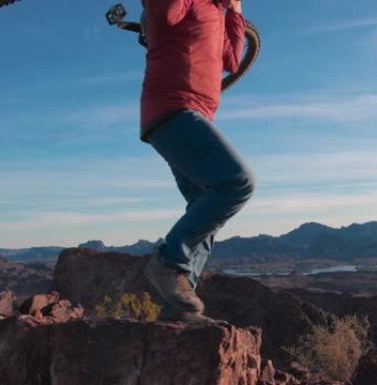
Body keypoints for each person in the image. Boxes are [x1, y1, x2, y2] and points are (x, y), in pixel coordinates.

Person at [140, 0, 255, 324]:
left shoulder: (216, 12)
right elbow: (165, 12)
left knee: (205, 205)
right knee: (237, 183)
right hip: (172, 109)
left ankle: (178, 311)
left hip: (193, 115)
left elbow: (231, 60)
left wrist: (234, 12)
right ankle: (168, 262)